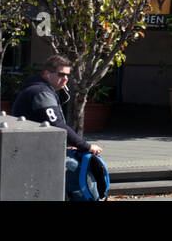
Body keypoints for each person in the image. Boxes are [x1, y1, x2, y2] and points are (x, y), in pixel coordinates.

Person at [11, 55, 103, 199]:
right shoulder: (41, 93)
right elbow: (58, 125)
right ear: (47, 74)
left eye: (67, 75)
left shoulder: (41, 89)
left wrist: (67, 145)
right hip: (34, 152)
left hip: (31, 148)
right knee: (82, 168)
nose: (65, 78)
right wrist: (86, 146)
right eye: (61, 74)